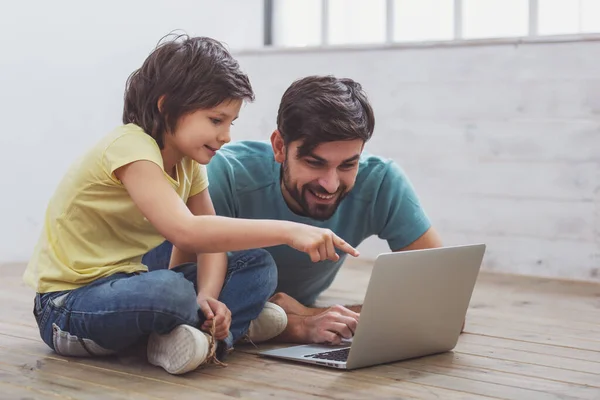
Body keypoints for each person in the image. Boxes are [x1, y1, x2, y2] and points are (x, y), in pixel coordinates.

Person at [23, 37, 360, 376]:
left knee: (256, 263)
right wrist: (289, 231)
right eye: (216, 120)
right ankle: (235, 327)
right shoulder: (130, 147)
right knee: (169, 290)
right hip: (68, 307)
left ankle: (206, 336)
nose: (227, 135)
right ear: (167, 107)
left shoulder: (188, 164)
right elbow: (186, 231)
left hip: (129, 280)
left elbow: (209, 242)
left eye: (231, 122)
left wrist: (206, 298)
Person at [143, 74, 444, 346]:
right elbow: (190, 294)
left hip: (253, 316)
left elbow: (443, 304)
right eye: (315, 163)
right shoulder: (224, 174)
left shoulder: (381, 183)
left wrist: (308, 314)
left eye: (348, 164)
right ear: (279, 147)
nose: (330, 184)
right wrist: (297, 324)